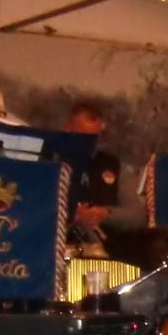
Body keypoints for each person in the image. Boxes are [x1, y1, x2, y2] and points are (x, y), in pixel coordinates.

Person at [64, 100, 120, 242]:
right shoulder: (49, 163)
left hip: (103, 248)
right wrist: (71, 216)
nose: (89, 144)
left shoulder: (110, 163)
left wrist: (105, 214)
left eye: (94, 138)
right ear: (67, 130)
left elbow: (137, 213)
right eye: (83, 137)